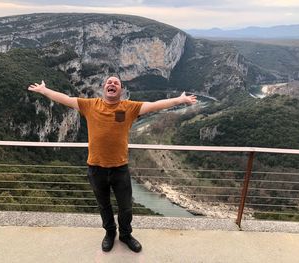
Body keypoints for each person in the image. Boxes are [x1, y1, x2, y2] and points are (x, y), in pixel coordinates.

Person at [28, 76, 197, 253]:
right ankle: (110, 233)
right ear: (103, 88)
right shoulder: (90, 105)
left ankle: (125, 235)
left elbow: (155, 105)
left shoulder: (129, 108)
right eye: (109, 82)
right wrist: (44, 90)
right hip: (96, 167)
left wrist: (180, 99)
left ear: (121, 90)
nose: (112, 84)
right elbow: (66, 99)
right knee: (104, 205)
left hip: (120, 168)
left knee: (126, 206)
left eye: (116, 83)